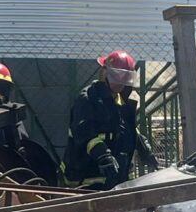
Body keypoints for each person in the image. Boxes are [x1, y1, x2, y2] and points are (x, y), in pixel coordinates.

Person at [61, 50, 156, 190]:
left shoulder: (122, 101)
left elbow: (124, 128)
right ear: (104, 73)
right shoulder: (88, 99)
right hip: (86, 176)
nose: (120, 83)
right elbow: (84, 133)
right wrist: (103, 155)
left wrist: (141, 143)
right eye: (117, 76)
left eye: (125, 77)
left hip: (117, 178)